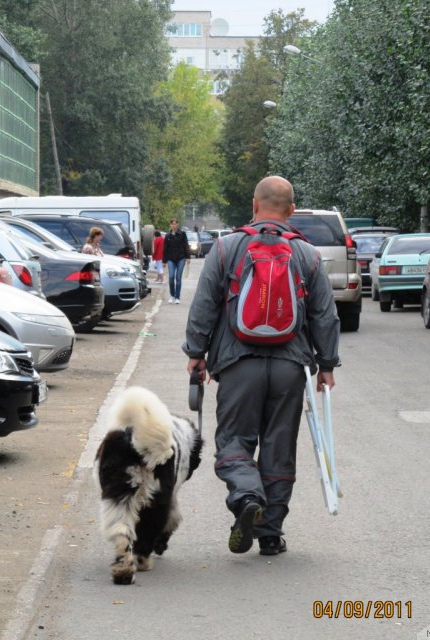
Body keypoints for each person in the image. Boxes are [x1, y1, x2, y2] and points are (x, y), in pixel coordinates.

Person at [183, 176, 340, 556]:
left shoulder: (226, 248)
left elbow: (204, 304)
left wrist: (196, 352)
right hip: (291, 366)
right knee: (279, 447)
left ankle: (246, 495)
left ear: (254, 204)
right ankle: (270, 533)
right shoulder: (308, 255)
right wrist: (327, 365)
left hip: (238, 364)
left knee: (234, 441)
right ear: (291, 209)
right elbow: (324, 316)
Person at [163, 218, 191, 304]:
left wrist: (188, 257)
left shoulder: (182, 234)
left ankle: (177, 297)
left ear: (178, 225)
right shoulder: (167, 236)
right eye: (172, 224)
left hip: (181, 258)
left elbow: (186, 245)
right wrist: (164, 261)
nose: (174, 226)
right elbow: (165, 249)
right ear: (170, 225)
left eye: (175, 224)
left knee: (178, 278)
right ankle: (172, 295)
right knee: (171, 277)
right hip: (171, 259)